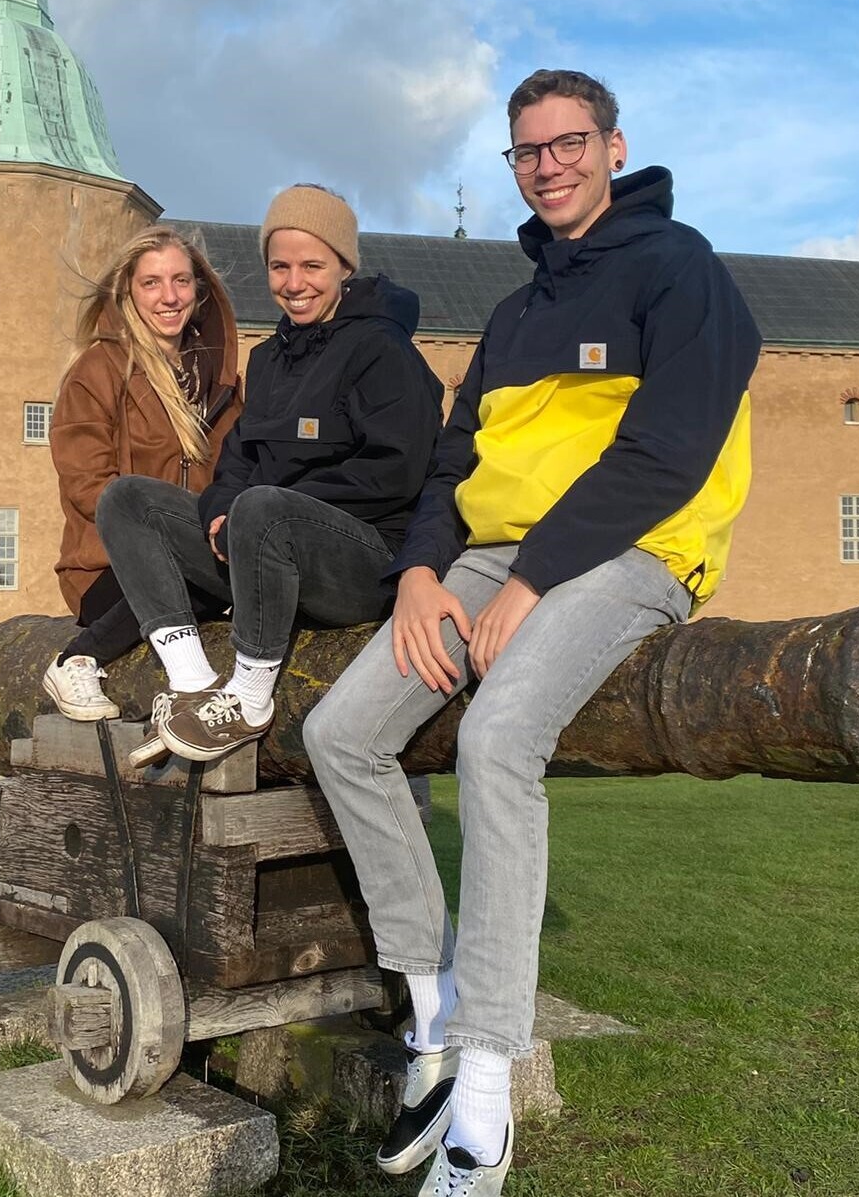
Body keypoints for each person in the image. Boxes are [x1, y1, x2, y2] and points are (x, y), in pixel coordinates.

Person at [302, 70, 761, 1195]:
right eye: (527, 151)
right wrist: (420, 574)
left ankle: (489, 1083)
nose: (548, 165)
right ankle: (428, 1014)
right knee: (341, 733)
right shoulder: (512, 316)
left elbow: (666, 453)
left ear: (613, 146)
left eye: (567, 144)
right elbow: (452, 470)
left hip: (634, 549)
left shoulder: (679, 270)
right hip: (491, 555)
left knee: (494, 739)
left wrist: (534, 580)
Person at [95, 184, 441, 759]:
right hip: (264, 547)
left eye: (312, 266)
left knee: (263, 505)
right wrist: (222, 511)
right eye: (280, 267)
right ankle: (191, 680)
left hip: (356, 565)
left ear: (344, 266)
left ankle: (251, 697)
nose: (294, 283)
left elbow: (395, 473)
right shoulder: (269, 358)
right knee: (129, 499)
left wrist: (268, 510)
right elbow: (237, 461)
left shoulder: (382, 350)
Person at [40, 226, 242, 721]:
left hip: (195, 556)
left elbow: (238, 472)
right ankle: (75, 658)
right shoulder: (99, 370)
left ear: (199, 289)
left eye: (180, 281)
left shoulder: (217, 381)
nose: (169, 297)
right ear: (127, 290)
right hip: (108, 569)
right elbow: (87, 484)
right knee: (191, 580)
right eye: (151, 283)